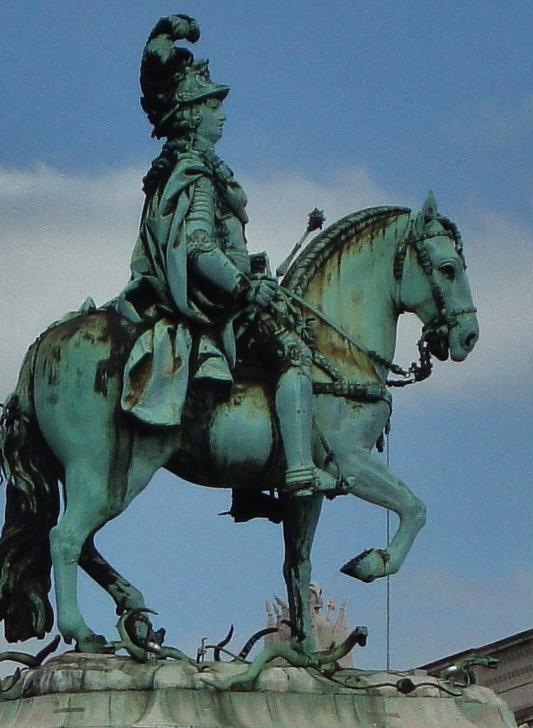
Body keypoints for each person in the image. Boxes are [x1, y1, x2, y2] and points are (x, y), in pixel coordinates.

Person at [120, 15, 337, 497]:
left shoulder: (185, 169)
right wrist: (244, 285)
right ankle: (299, 468)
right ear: (193, 114)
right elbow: (197, 249)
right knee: (294, 353)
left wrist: (249, 266)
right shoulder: (198, 176)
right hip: (213, 298)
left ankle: (252, 485)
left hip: (214, 289)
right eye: (212, 104)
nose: (222, 113)